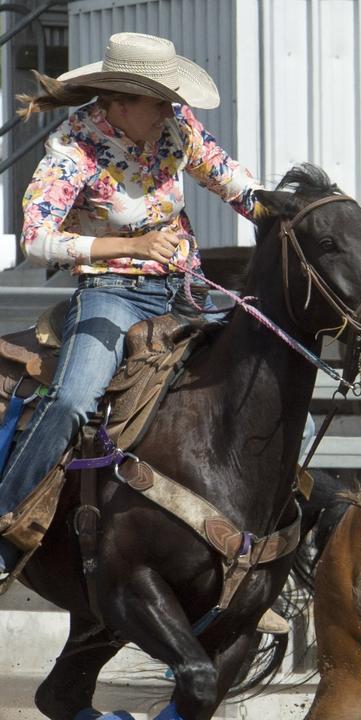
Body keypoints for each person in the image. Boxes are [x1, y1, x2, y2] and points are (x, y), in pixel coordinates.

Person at [0, 33, 261, 581]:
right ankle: (8, 521)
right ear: (122, 101)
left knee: (256, 379)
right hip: (111, 296)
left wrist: (297, 215)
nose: (172, 108)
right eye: (160, 99)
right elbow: (37, 239)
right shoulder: (73, 149)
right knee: (72, 398)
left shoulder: (177, 127)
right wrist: (130, 246)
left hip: (184, 291)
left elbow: (238, 186)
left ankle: (257, 549)